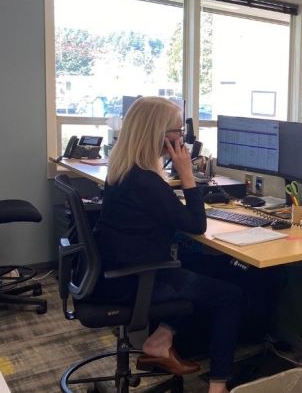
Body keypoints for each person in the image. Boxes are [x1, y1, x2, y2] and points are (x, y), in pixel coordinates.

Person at [93, 96, 241, 393]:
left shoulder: (124, 170)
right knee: (231, 297)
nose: (182, 137)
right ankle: (218, 385)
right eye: (177, 130)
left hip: (115, 274)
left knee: (215, 266)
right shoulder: (146, 181)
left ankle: (161, 339)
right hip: (136, 280)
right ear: (159, 134)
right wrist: (187, 175)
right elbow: (196, 225)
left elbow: (168, 218)